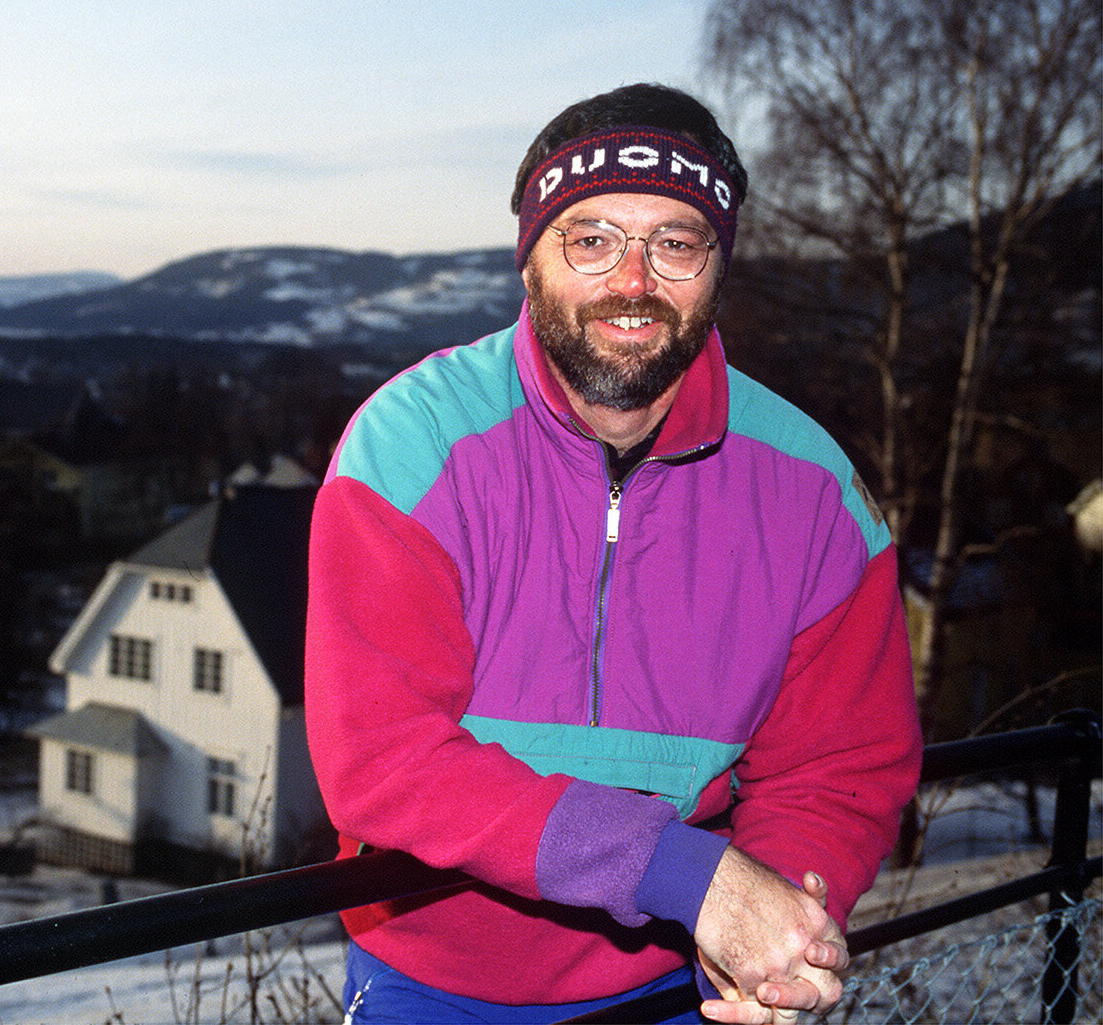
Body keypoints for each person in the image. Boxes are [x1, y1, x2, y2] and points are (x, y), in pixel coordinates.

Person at [305, 83, 922, 1024]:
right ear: (529, 260)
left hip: (678, 986)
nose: (632, 282)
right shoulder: (410, 445)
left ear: (717, 267)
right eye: (589, 240)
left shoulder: (814, 493)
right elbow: (384, 755)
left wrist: (771, 939)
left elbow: (838, 767)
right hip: (431, 982)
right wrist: (683, 873)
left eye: (675, 243)